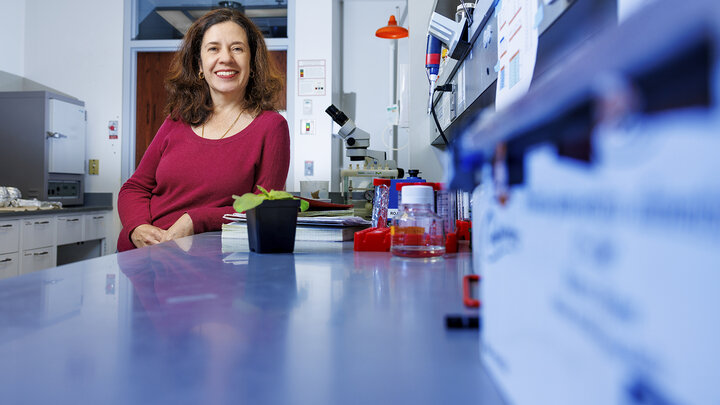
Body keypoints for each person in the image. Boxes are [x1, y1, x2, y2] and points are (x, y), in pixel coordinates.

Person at [117, 8, 289, 252]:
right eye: (213, 48)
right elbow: (135, 187)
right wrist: (137, 227)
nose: (226, 58)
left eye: (237, 48)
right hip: (138, 257)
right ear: (199, 64)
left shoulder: (271, 126)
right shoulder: (177, 120)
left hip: (203, 265)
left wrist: (197, 219)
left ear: (252, 63)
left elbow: (264, 208)